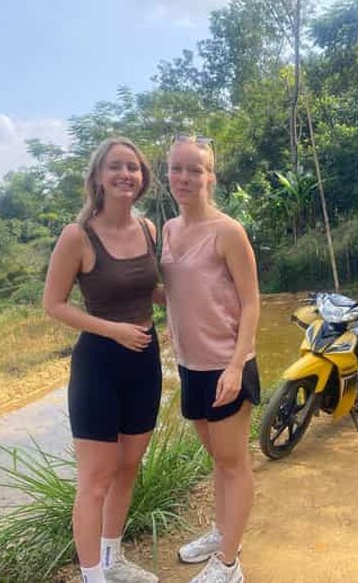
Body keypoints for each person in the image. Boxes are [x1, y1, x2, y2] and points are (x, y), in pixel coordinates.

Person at [43, 137, 162, 583]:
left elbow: (148, 289)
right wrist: (113, 330)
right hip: (99, 365)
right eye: (115, 166)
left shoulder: (149, 229)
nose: (125, 174)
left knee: (128, 467)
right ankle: (92, 576)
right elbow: (54, 304)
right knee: (95, 479)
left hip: (145, 359)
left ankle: (113, 560)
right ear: (98, 176)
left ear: (142, 177)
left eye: (133, 167)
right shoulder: (78, 236)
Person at [160, 134, 260, 583]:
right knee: (218, 460)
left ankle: (229, 563)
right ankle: (222, 532)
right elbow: (176, 292)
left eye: (194, 170)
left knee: (234, 464)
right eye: (176, 168)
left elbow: (252, 302)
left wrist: (236, 366)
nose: (184, 177)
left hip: (226, 364)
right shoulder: (168, 229)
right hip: (189, 364)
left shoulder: (228, 231)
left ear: (210, 177)